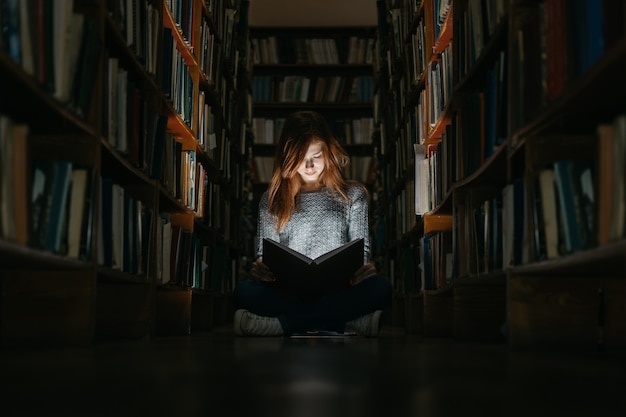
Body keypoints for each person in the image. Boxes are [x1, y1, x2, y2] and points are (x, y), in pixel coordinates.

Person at [232, 111, 392, 337]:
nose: (309, 165)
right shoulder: (272, 198)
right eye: (300, 157)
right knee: (243, 292)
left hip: (340, 290)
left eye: (316, 156)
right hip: (289, 292)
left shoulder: (353, 195)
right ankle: (346, 324)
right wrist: (261, 267)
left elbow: (361, 251)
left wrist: (364, 269)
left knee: (381, 288)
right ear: (288, 156)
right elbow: (264, 253)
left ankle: (283, 325)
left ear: (329, 152)